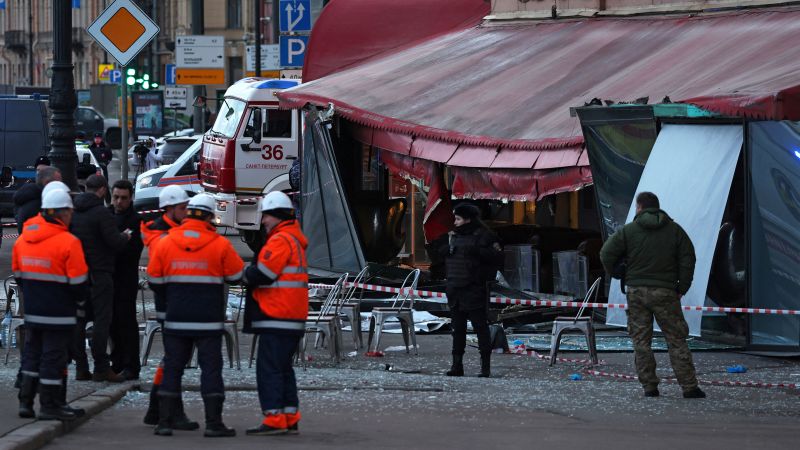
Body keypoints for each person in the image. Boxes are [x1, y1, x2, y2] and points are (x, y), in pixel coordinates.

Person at [147, 194, 243, 438]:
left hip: (176, 317)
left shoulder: (167, 242)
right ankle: (213, 423)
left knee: (172, 368)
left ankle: (165, 422)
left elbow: (154, 280)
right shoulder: (220, 245)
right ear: (211, 216)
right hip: (208, 319)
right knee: (211, 369)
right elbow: (235, 277)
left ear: (189, 213)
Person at [599, 191, 705, 399]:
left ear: (639, 207)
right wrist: (681, 287)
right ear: (657, 207)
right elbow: (688, 259)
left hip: (636, 292)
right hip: (666, 292)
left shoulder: (628, 232)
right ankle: (689, 387)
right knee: (676, 339)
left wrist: (617, 273)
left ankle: (649, 387)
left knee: (641, 341)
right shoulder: (675, 231)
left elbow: (605, 253)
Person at [13, 189, 89, 420]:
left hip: (34, 309)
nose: (71, 217)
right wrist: (80, 302)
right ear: (61, 212)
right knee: (53, 358)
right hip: (60, 310)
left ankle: (25, 402)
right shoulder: (68, 242)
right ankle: (50, 405)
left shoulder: (24, 237)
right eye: (69, 212)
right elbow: (78, 282)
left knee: (32, 354)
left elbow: (18, 274)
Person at [243, 191, 308, 436]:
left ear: (278, 216)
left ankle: (274, 418)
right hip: (291, 315)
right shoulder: (293, 239)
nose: (263, 222)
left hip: (278, 314)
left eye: (266, 216)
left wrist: (246, 274)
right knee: (283, 368)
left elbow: (264, 274)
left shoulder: (281, 240)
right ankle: (290, 416)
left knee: (269, 368)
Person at [140, 184, 196, 430]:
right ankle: (169, 411)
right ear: (169, 209)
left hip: (174, 303)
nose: (186, 213)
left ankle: (156, 409)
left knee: (174, 359)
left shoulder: (167, 230)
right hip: (172, 305)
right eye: (183, 208)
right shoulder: (163, 236)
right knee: (176, 359)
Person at [70, 175, 130, 382]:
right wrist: (126, 236)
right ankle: (101, 368)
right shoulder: (101, 213)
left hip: (78, 275)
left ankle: (81, 367)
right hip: (100, 274)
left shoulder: (74, 213)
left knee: (79, 321)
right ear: (103, 190)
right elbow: (114, 242)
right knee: (101, 322)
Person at [441, 203, 502, 378]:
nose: (455, 222)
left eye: (458, 218)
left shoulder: (484, 236)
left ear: (467, 219)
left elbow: (497, 258)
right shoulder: (454, 237)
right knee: (457, 330)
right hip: (455, 291)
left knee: (480, 329)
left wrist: (477, 253)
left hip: (474, 290)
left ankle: (485, 368)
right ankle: (456, 366)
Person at [108, 180, 144, 380]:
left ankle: (131, 365)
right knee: (111, 324)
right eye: (116, 197)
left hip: (126, 279)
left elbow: (131, 250)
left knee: (126, 323)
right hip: (108, 279)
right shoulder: (106, 215)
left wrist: (115, 245)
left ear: (130, 199)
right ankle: (117, 362)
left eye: (123, 198)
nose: (119, 202)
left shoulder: (135, 220)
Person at [13, 166, 62, 234]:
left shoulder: (32, 198)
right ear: (47, 182)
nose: (60, 185)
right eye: (58, 182)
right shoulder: (37, 206)